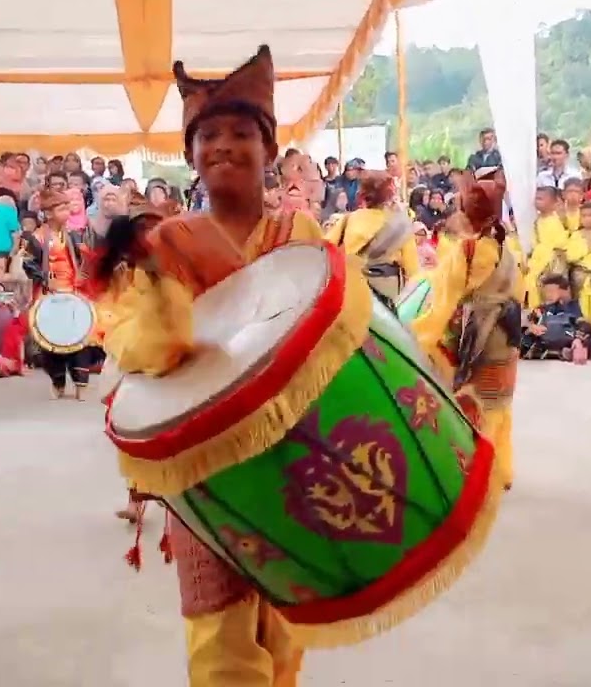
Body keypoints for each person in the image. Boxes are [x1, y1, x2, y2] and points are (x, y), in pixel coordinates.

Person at [94, 44, 323, 687]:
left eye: (242, 133)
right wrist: (173, 309)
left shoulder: (301, 238)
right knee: (219, 641)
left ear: (270, 149)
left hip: (294, 454)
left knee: (284, 632)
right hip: (205, 470)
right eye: (209, 135)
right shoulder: (165, 241)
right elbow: (131, 346)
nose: (225, 146)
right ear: (190, 154)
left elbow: (342, 328)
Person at [408, 170, 520, 489]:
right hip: (506, 332)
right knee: (498, 401)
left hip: (475, 333)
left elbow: (445, 299)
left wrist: (419, 333)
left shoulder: (468, 251)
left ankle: (475, 469)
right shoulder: (506, 248)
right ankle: (501, 470)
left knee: (470, 398)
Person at [24, 188, 92, 399]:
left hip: (72, 290)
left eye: (66, 206)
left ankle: (81, 383)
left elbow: (83, 260)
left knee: (78, 336)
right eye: (61, 208)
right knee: (51, 339)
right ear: (49, 213)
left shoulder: (73, 235)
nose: (67, 211)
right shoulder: (37, 238)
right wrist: (45, 279)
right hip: (48, 293)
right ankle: (58, 381)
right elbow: (28, 263)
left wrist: (82, 275)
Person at [323, 171, 420, 307]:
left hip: (350, 286)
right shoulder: (400, 225)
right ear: (390, 196)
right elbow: (413, 269)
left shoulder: (348, 219)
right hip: (385, 291)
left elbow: (325, 249)